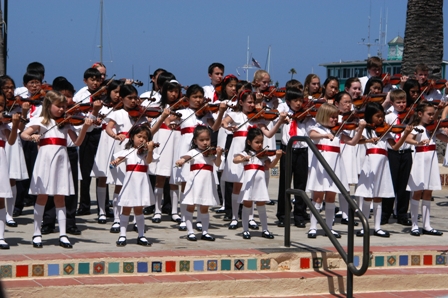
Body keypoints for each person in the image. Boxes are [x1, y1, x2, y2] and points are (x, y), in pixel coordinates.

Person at [21, 91, 93, 249]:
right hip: (45, 160)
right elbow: (24, 134)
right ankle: (37, 233)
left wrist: (85, 127)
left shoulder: (66, 123)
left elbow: (77, 143)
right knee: (42, 196)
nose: (62, 110)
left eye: (64, 107)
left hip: (61, 160)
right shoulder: (40, 121)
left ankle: (63, 234)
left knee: (60, 197)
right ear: (48, 106)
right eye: (58, 106)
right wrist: (32, 137)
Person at [221, 90, 286, 230]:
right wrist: (227, 126)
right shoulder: (235, 115)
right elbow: (224, 122)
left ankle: (250, 218)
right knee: (237, 186)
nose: (252, 105)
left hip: (253, 154)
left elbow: (269, 134)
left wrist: (280, 121)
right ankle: (234, 217)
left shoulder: (258, 119)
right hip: (239, 151)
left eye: (253, 102)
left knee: (250, 185)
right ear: (241, 102)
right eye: (249, 102)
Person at [172, 85, 226, 231]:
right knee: (185, 183)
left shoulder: (206, 113)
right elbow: (169, 122)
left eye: (200, 97)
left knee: (201, 184)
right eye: (194, 97)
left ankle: (201, 220)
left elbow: (215, 127)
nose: (198, 100)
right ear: (187, 98)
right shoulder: (182, 112)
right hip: (186, 148)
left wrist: (220, 111)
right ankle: (184, 218)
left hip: (203, 150)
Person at [307, 103, 366, 239]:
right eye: (332, 117)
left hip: (335, 166)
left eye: (336, 117)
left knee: (331, 197)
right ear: (324, 116)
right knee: (317, 197)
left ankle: (329, 227)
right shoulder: (316, 129)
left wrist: (360, 130)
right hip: (321, 167)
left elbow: (353, 142)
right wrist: (325, 135)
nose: (335, 120)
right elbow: (312, 136)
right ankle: (313, 227)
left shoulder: (339, 132)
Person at [355, 102, 412, 238]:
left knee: (378, 196)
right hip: (370, 163)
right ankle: (365, 225)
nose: (381, 119)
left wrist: (405, 134)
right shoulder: (367, 130)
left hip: (382, 164)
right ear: (370, 116)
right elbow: (357, 141)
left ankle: (378, 227)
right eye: (377, 116)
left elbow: (396, 147)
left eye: (382, 116)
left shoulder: (386, 131)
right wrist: (368, 139)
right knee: (367, 195)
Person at [110, 124, 156, 246]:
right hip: (130, 184)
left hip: (141, 183)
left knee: (138, 210)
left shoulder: (145, 152)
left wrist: (150, 149)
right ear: (132, 137)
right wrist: (115, 162)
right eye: (139, 136)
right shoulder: (127, 152)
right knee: (126, 209)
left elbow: (149, 161)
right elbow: (119, 159)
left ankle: (141, 235)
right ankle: (122, 235)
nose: (142, 140)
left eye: (145, 138)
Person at [406, 102, 447, 236]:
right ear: (420, 114)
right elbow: (407, 139)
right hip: (420, 162)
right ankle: (414, 225)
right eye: (429, 114)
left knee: (428, 193)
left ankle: (427, 225)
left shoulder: (432, 130)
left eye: (432, 114)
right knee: (417, 192)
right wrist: (418, 142)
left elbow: (444, 138)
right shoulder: (417, 128)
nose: (431, 117)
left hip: (431, 163)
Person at [175, 126, 223, 241]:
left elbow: (217, 164)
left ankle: (205, 232)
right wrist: (181, 160)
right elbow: (186, 157)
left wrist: (219, 154)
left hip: (207, 183)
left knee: (204, 208)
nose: (205, 142)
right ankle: (190, 231)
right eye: (201, 140)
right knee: (191, 206)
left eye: (207, 139)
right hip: (194, 184)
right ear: (195, 141)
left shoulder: (211, 153)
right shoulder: (193, 152)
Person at [233, 127, 281, 240]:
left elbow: (270, 166)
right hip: (249, 183)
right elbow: (235, 160)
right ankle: (245, 229)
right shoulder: (245, 153)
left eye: (261, 142)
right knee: (247, 205)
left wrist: (277, 157)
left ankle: (265, 229)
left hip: (260, 183)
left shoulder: (263, 155)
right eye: (257, 142)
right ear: (249, 142)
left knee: (261, 205)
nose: (260, 145)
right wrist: (243, 159)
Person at [276, 88, 313, 228]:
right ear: (288, 102)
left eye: (300, 101)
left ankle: (299, 214)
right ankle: (283, 214)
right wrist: (282, 118)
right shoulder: (284, 114)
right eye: (295, 101)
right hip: (288, 150)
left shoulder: (306, 115)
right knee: (284, 183)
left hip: (302, 150)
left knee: (301, 183)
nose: (298, 104)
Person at [90, 80, 123, 224]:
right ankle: (102, 210)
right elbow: (94, 122)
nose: (118, 95)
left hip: (121, 141)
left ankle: (119, 210)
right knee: (102, 176)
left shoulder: (124, 110)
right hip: (106, 140)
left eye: (121, 93)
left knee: (119, 177)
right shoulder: (103, 107)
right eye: (115, 92)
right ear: (109, 92)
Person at [73, 67, 103, 216]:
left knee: (101, 171)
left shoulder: (104, 95)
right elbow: (77, 112)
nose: (95, 83)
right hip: (86, 134)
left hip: (101, 134)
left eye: (98, 80)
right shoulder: (80, 95)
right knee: (85, 170)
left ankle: (102, 207)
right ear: (85, 81)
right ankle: (84, 204)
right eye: (92, 80)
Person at [1, 75, 29, 227]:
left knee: (11, 178)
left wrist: (23, 114)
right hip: (1, 142)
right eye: (6, 88)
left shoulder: (17, 106)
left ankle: (9, 214)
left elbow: (21, 128)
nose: (10, 91)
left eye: (11, 87)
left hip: (12, 141)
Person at [381, 89, 413, 226]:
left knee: (404, 185)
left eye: (404, 102)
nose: (401, 105)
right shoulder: (388, 117)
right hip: (392, 153)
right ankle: (385, 214)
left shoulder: (409, 117)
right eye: (398, 102)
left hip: (406, 152)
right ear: (392, 103)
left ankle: (402, 214)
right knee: (390, 183)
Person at [0, 90, 21, 249]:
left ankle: (0, 236)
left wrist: (14, 126)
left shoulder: (4, 124)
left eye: (1, 105)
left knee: (1, 198)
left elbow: (11, 141)